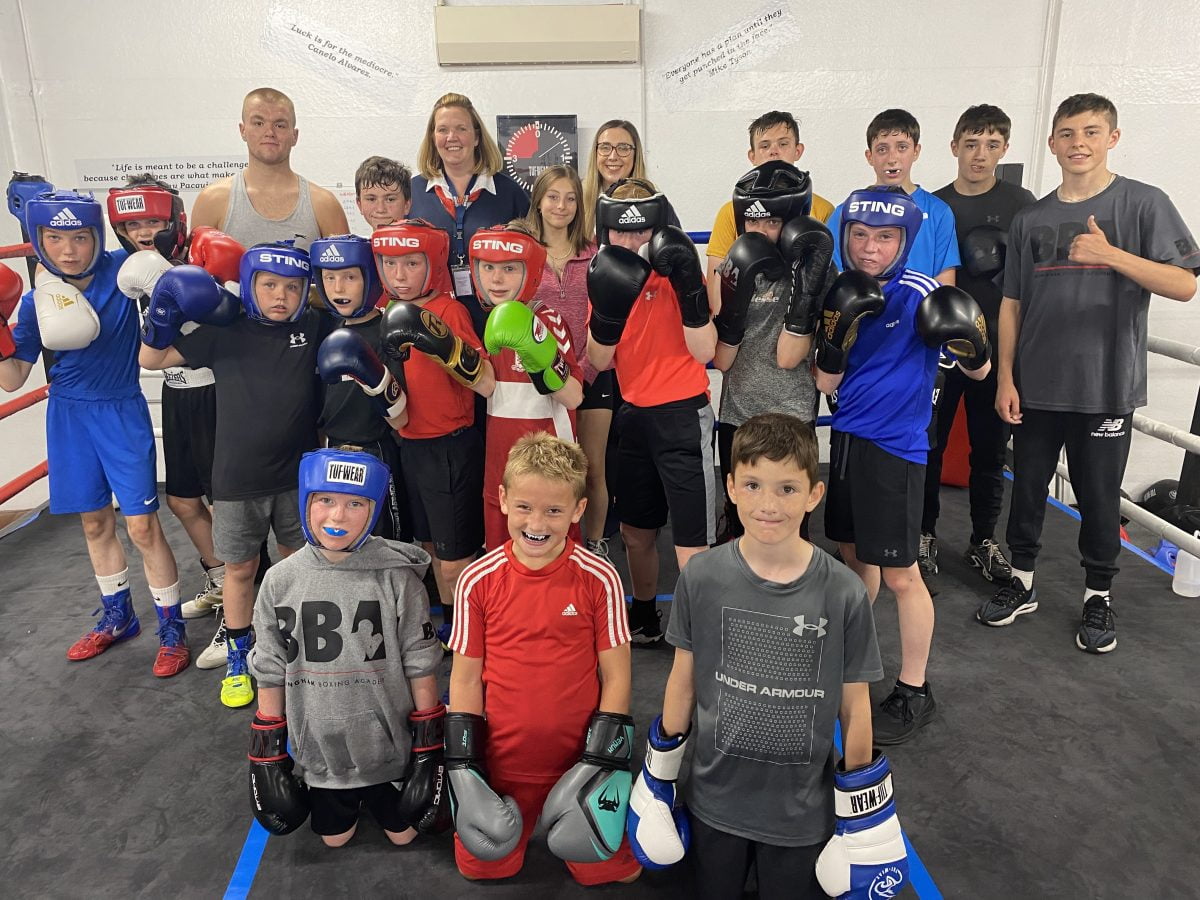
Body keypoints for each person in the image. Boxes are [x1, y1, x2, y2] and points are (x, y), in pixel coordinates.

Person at [627, 413, 907, 900]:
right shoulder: (702, 577)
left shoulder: (843, 591)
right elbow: (683, 682)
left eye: (787, 489)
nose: (768, 505)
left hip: (801, 810)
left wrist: (862, 814)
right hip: (714, 798)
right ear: (731, 487)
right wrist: (658, 776)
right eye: (753, 485)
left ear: (813, 495)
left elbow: (855, 705)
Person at [984, 93, 1198, 653]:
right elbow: (1011, 304)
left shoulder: (1143, 203)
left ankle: (1097, 595)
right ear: (1052, 142)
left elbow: (1185, 284)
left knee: (1099, 496)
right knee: (1025, 487)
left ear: (1112, 138)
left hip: (1105, 384)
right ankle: (1022, 580)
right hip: (1035, 383)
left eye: (1092, 132)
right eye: (1068, 133)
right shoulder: (1032, 216)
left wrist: (1113, 256)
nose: (1079, 143)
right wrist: (1005, 377)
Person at [814, 186, 991, 743]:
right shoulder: (840, 291)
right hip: (845, 441)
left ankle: (915, 689)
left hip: (895, 449)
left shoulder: (922, 294)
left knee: (901, 575)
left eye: (884, 238)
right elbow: (824, 383)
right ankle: (850, 662)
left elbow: (979, 376)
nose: (869, 249)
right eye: (860, 235)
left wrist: (974, 344)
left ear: (905, 240)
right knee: (853, 560)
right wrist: (836, 339)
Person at [0, 191, 187, 676]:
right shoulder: (36, 298)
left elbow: (174, 276)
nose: (67, 250)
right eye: (54, 238)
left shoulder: (126, 269)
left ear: (97, 236)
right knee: (93, 522)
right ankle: (118, 616)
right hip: (68, 416)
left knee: (142, 525)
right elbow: (12, 377)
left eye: (79, 237)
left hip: (120, 409)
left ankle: (172, 628)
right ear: (38, 240)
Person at [139, 242, 330, 707]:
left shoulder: (316, 326)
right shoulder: (225, 331)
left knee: (294, 569)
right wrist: (161, 311)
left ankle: (294, 651)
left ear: (306, 290)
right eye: (269, 286)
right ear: (249, 286)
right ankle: (239, 659)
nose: (280, 296)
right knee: (240, 571)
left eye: (291, 286)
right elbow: (151, 360)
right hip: (236, 479)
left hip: (296, 477)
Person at [445, 432, 640, 885]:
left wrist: (602, 763)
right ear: (503, 500)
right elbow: (466, 680)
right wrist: (465, 767)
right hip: (499, 767)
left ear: (577, 510)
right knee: (482, 868)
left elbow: (616, 677)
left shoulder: (599, 578)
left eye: (554, 510)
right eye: (526, 506)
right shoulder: (478, 580)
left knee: (617, 875)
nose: (538, 521)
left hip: (578, 762)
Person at [246, 448, 444, 847]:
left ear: (373, 511)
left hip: (389, 752)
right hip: (322, 757)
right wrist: (267, 755)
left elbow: (420, 661)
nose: (337, 517)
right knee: (334, 839)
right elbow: (269, 665)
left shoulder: (397, 579)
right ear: (306, 501)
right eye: (326, 500)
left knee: (405, 835)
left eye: (355, 503)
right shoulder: (279, 581)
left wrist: (429, 747)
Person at [107, 176, 246, 649]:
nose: (144, 232)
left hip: (215, 395)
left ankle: (243, 604)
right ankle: (219, 580)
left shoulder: (206, 255)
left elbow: (231, 329)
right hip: (176, 392)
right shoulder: (136, 269)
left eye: (153, 221)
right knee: (182, 500)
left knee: (229, 507)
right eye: (132, 224)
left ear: (175, 220)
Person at [586, 179, 718, 644]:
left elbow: (706, 352)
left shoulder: (679, 269)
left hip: (683, 416)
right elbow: (598, 360)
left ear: (657, 228)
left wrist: (688, 286)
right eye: (621, 233)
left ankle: (698, 632)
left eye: (640, 231)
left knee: (692, 543)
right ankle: (644, 613)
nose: (630, 242)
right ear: (606, 232)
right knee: (637, 532)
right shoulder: (603, 275)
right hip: (633, 416)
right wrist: (608, 309)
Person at [920, 106, 1036, 582]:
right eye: (971, 144)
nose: (980, 155)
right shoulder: (934, 205)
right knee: (929, 444)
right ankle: (924, 534)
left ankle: (983, 540)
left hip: (998, 349)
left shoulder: (1022, 203)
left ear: (1004, 149)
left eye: (991, 145)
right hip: (942, 348)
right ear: (954, 147)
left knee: (990, 450)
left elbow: (1030, 279)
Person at [375, 218, 496, 638]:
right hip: (410, 445)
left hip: (450, 446)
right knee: (427, 546)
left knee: (454, 557)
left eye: (411, 263)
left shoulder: (449, 311)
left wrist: (446, 348)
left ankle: (469, 631)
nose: (399, 275)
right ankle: (448, 623)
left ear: (433, 263)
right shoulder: (388, 313)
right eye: (390, 264)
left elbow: (485, 383)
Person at [712, 160, 832, 540]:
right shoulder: (737, 263)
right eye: (753, 222)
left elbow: (788, 357)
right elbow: (722, 359)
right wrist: (734, 300)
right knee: (739, 525)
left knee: (791, 527)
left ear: (795, 219)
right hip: (738, 414)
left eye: (772, 222)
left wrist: (804, 284)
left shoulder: (818, 268)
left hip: (792, 415)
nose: (761, 232)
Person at [470, 222, 584, 549]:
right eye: (488, 267)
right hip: (501, 470)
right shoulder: (481, 324)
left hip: (551, 468)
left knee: (557, 560)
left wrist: (541, 362)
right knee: (500, 560)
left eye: (509, 268)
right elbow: (486, 387)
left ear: (530, 270)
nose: (496, 279)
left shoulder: (547, 320)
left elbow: (574, 396)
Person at [524, 166, 611, 557]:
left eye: (570, 198)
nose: (562, 206)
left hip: (591, 377)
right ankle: (542, 548)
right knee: (542, 472)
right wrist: (551, 375)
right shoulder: (523, 251)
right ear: (539, 202)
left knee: (591, 470)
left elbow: (602, 317)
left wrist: (580, 374)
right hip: (537, 378)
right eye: (553, 196)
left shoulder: (593, 255)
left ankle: (593, 548)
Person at [311, 233, 412, 542]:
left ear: (371, 279)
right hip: (334, 448)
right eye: (329, 278)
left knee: (386, 539)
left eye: (350, 277)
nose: (338, 288)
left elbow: (401, 418)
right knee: (340, 536)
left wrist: (372, 376)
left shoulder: (387, 330)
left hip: (377, 449)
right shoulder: (326, 327)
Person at [408, 93, 530, 339]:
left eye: (460, 128)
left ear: (476, 137)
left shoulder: (509, 192)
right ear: (433, 138)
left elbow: (531, 259)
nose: (451, 138)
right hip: (432, 322)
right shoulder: (413, 192)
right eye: (442, 130)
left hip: (498, 320)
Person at [704, 110, 836, 316]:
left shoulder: (823, 209)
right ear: (752, 156)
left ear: (798, 151)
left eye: (783, 144)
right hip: (744, 326)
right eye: (765, 146)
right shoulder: (730, 211)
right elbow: (715, 291)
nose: (774, 151)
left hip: (798, 323)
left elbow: (826, 281)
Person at [191, 86, 348, 249]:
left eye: (279, 125)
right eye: (258, 123)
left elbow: (348, 272)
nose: (269, 132)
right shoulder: (212, 200)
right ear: (243, 130)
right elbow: (196, 271)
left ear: (294, 136)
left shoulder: (324, 204)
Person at [827, 108, 960, 286]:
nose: (892, 158)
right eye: (882, 149)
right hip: (859, 311)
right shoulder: (846, 211)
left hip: (917, 311)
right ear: (869, 156)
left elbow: (944, 287)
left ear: (916, 151)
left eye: (902, 147)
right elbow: (833, 278)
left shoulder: (938, 212)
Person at [580, 120, 682, 240]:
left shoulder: (656, 204)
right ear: (596, 153)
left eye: (623, 148)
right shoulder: (576, 200)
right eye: (605, 147)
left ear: (636, 155)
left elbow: (676, 254)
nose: (613, 157)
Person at [354, 155, 412, 235]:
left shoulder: (425, 246)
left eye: (390, 199)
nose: (380, 209)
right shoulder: (357, 246)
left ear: (406, 205)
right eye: (371, 199)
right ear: (359, 205)